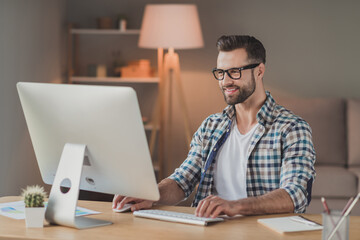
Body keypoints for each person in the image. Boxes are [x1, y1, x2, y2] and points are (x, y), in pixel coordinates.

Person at [113, 35, 316, 218]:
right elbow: (182, 180)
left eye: (235, 72)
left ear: (259, 71)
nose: (225, 81)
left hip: (261, 233)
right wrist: (150, 195)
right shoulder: (211, 126)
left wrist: (235, 206)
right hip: (208, 231)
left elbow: (295, 195)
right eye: (220, 72)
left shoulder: (292, 129)